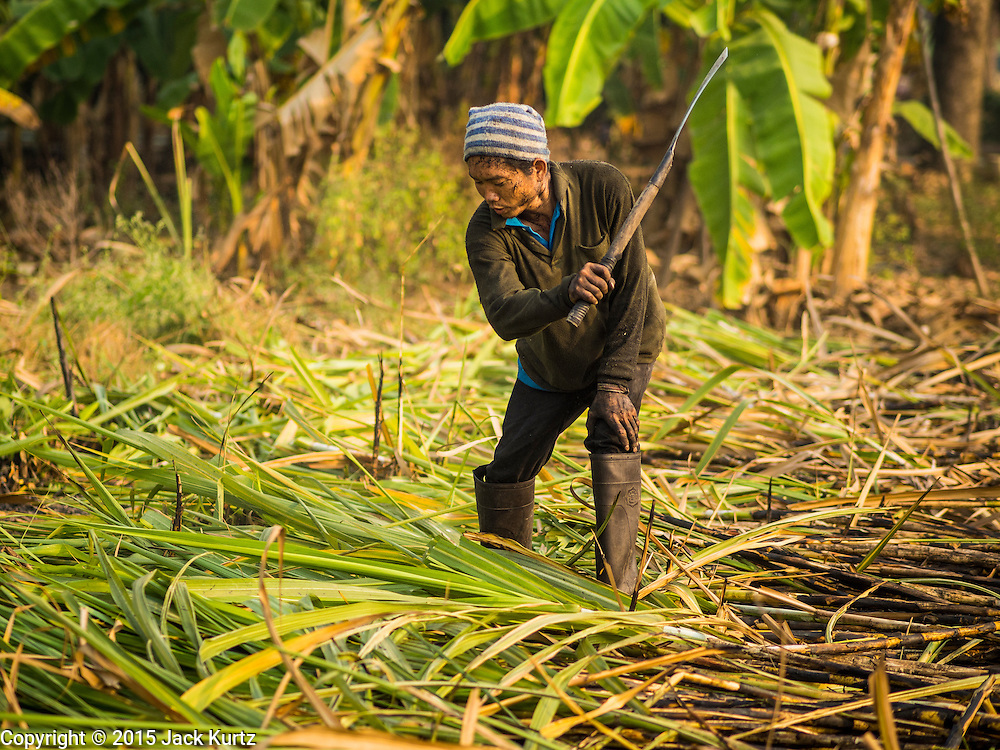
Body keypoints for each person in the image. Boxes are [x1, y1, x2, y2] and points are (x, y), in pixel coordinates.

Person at [463, 102, 666, 593]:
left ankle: (617, 589)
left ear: (536, 169)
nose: (489, 196)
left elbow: (634, 286)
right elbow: (507, 315)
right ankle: (506, 579)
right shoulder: (485, 232)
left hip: (623, 345)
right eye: (479, 185)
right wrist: (565, 292)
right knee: (509, 465)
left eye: (498, 182)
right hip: (549, 363)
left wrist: (614, 384)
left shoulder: (604, 187)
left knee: (611, 433)